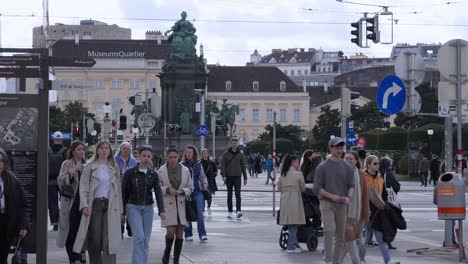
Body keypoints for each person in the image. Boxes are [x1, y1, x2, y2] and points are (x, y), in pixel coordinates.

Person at [73, 141, 123, 264]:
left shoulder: (114, 167)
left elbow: (118, 191)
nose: (104, 150)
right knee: (95, 238)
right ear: (97, 150)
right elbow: (83, 187)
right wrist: (84, 205)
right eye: (101, 148)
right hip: (95, 205)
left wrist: (121, 212)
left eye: (106, 148)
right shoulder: (90, 166)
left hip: (110, 205)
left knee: (109, 239)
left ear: (110, 151)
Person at [313, 137, 354, 264]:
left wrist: (349, 197)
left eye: (341, 148)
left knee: (341, 236)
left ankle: (336, 261)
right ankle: (328, 260)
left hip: (341, 204)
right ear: (330, 148)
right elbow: (317, 188)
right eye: (337, 147)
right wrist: (332, 196)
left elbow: (351, 185)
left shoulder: (347, 167)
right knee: (328, 230)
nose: (339, 150)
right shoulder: (322, 166)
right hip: (326, 202)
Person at [122, 145, 166, 264]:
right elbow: (123, 193)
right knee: (139, 237)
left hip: (148, 208)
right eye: (144, 156)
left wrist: (162, 210)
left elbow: (158, 193)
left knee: (145, 240)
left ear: (151, 157)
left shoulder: (153, 174)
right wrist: (123, 212)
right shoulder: (130, 173)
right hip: (133, 207)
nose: (146, 158)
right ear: (139, 157)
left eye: (148, 156)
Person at [159, 148, 193, 264]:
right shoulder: (161, 170)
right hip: (168, 204)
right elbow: (158, 188)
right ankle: (167, 252)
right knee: (170, 231)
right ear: (166, 157)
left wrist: (182, 191)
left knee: (179, 233)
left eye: (175, 157)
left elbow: (190, 187)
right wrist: (168, 189)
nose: (173, 160)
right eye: (170, 157)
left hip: (181, 203)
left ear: (178, 157)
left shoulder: (185, 170)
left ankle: (176, 259)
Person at [364, 155, 400, 264]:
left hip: (378, 211)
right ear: (368, 165)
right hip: (367, 211)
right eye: (375, 163)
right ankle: (360, 259)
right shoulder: (363, 177)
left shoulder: (380, 177)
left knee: (380, 238)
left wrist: (385, 207)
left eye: (378, 163)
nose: (377, 165)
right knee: (364, 239)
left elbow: (384, 195)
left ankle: (388, 260)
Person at [56, 141, 87, 264]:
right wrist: (72, 172)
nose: (81, 152)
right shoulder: (67, 163)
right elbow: (61, 181)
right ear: (73, 151)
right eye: (79, 149)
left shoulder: (87, 164)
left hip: (83, 202)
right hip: (70, 202)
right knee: (70, 231)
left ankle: (81, 256)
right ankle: (73, 258)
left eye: (83, 149)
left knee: (81, 232)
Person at [339, 151, 370, 264]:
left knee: (346, 239)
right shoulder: (339, 173)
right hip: (341, 211)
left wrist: (366, 214)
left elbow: (365, 195)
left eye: (351, 159)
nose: (348, 160)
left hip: (356, 212)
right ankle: (356, 261)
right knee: (349, 237)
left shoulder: (361, 175)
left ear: (356, 161)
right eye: (346, 158)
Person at [0, 147, 29, 263]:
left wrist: (23, 225)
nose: (0, 164)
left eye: (2, 161)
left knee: (2, 255)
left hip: (5, 222)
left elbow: (22, 205)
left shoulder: (12, 180)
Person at [278, 154, 306, 253]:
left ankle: (295, 244)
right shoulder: (298, 174)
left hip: (285, 198)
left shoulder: (283, 174)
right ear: (293, 162)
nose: (298, 164)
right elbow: (303, 188)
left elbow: (279, 188)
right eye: (297, 162)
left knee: (290, 222)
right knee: (294, 223)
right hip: (295, 199)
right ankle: (291, 246)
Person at [181, 145, 209, 242]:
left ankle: (202, 234)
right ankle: (188, 233)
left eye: (190, 152)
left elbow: (203, 176)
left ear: (194, 154)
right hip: (187, 192)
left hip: (197, 191)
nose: (188, 154)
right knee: (187, 212)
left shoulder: (198, 164)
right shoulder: (182, 164)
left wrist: (205, 184)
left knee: (199, 213)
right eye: (187, 152)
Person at [114, 141, 138, 238]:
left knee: (130, 209)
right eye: (124, 148)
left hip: (130, 189)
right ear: (120, 149)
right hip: (117, 187)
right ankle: (120, 229)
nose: (126, 150)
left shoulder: (134, 161)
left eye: (128, 148)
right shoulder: (115, 160)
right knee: (120, 210)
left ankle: (129, 227)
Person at [221, 137, 248, 219]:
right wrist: (224, 176)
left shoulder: (240, 154)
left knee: (238, 194)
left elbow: (243, 166)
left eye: (235, 143)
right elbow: (223, 166)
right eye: (233, 143)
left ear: (237, 144)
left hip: (237, 176)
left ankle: (238, 211)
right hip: (228, 177)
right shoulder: (226, 154)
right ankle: (229, 211)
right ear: (231, 144)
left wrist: (245, 177)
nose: (234, 144)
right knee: (229, 195)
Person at [379, 156, 401, 250]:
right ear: (388, 165)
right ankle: (388, 243)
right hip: (387, 200)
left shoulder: (377, 173)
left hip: (377, 200)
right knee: (388, 222)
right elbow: (396, 187)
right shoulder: (388, 174)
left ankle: (367, 240)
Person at [49, 131, 68, 231]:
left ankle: (55, 223)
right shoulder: (65, 151)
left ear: (53, 139)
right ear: (62, 139)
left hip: (50, 180)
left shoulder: (48, 150)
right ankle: (64, 221)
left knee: (53, 203)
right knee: (65, 201)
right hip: (62, 180)